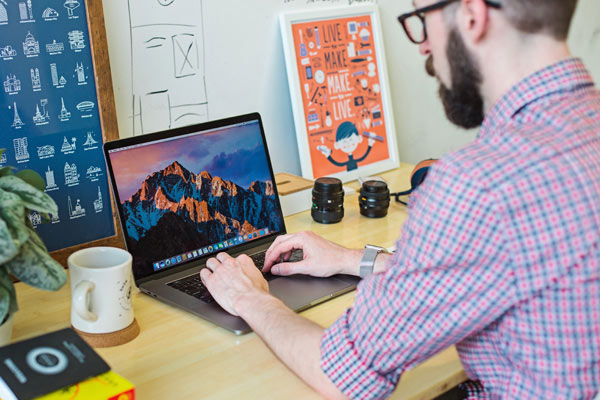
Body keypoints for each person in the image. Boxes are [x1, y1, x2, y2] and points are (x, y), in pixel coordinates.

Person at [200, 0, 600, 398]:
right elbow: (491, 267)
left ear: (472, 16)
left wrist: (251, 298)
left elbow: (343, 375)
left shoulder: (479, 185)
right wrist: (352, 259)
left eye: (422, 19)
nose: (423, 45)